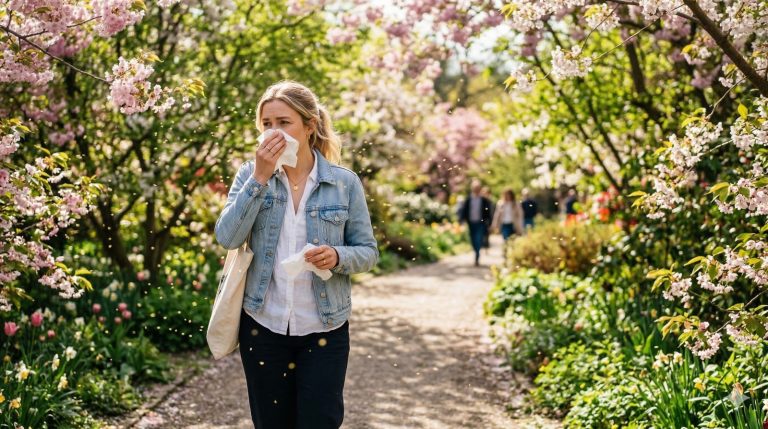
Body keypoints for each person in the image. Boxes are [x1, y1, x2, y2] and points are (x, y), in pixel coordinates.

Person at [214, 80, 379, 429]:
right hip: (263, 325)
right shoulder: (250, 174)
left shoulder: (344, 183)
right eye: (266, 124)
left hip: (325, 328)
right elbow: (227, 237)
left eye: (284, 122)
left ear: (309, 126)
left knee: (320, 421)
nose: (274, 132)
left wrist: (336, 256)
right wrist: (259, 177)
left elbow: (367, 252)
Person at [458, 180, 493, 266]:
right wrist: (461, 220)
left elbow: (488, 212)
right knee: (473, 239)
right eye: (475, 188)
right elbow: (464, 210)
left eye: (478, 188)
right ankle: (476, 251)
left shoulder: (484, 200)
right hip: (471, 222)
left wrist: (489, 223)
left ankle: (477, 255)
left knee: (478, 238)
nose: (476, 190)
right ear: (472, 189)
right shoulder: (468, 199)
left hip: (480, 222)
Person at [481, 186, 495, 253]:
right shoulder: (480, 200)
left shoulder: (490, 202)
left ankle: (486, 248)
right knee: (481, 235)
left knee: (486, 235)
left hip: (487, 221)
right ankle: (482, 247)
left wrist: (492, 223)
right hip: (480, 220)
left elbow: (492, 213)